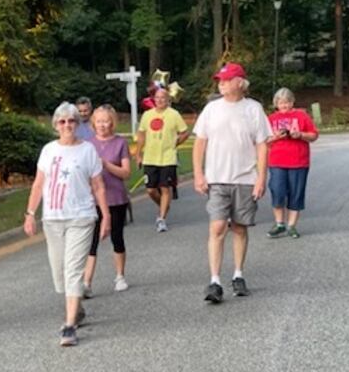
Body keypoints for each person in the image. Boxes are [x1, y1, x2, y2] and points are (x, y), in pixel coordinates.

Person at [23, 101, 110, 347]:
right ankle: (78, 308)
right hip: (53, 219)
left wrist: (106, 216)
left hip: (82, 217)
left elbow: (98, 186)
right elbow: (38, 184)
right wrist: (30, 213)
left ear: (78, 123)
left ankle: (70, 325)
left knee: (73, 270)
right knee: (60, 274)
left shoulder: (88, 150)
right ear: (56, 125)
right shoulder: (49, 150)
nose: (67, 125)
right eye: (62, 121)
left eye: (71, 121)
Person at [192, 63, 272, 304]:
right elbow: (199, 143)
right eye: (220, 80)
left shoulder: (253, 109)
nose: (222, 83)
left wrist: (261, 177)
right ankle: (214, 280)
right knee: (217, 227)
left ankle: (238, 274)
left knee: (239, 227)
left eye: (227, 80)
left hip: (245, 178)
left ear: (240, 82)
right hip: (217, 178)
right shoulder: (211, 109)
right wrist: (198, 173)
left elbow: (262, 145)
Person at [83, 105, 132, 298]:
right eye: (99, 121)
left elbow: (126, 173)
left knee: (117, 237)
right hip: (91, 200)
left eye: (106, 121)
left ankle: (120, 276)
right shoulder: (87, 144)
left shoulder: (120, 143)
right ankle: (86, 282)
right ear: (94, 123)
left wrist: (106, 164)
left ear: (112, 122)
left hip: (116, 198)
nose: (103, 125)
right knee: (91, 241)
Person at [266, 87, 319, 239]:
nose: (284, 106)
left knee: (296, 193)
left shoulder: (301, 116)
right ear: (276, 103)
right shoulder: (271, 119)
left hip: (298, 161)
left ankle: (292, 225)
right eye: (281, 103)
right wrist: (276, 137)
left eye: (287, 102)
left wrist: (300, 134)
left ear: (292, 102)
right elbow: (264, 141)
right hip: (277, 161)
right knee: (277, 190)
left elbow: (314, 135)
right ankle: (279, 223)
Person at [135, 88, 190, 232]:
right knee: (151, 190)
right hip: (150, 157)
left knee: (165, 188)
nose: (160, 100)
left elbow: (185, 132)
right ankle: (164, 204)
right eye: (157, 97)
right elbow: (141, 134)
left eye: (163, 98)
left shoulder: (174, 115)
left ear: (168, 100)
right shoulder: (147, 115)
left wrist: (175, 143)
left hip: (167, 158)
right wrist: (138, 154)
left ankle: (161, 218)